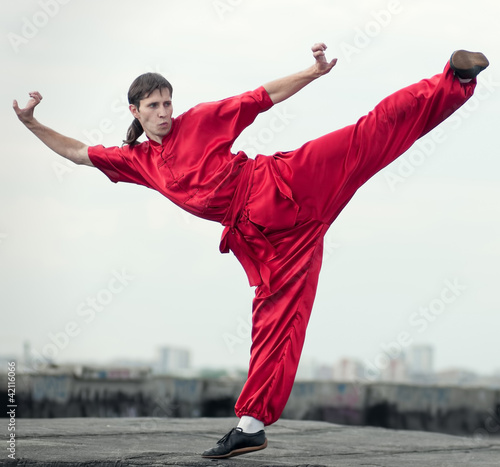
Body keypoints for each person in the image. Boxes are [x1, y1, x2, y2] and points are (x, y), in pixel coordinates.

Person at [13, 43, 489, 459]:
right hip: (272, 243)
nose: (164, 112)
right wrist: (31, 122)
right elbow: (77, 152)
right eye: (154, 105)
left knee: (369, 135)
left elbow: (264, 96)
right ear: (135, 111)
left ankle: (454, 79)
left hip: (284, 183)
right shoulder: (135, 161)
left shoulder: (200, 119)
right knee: (275, 324)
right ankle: (251, 427)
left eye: (167, 103)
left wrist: (314, 72)